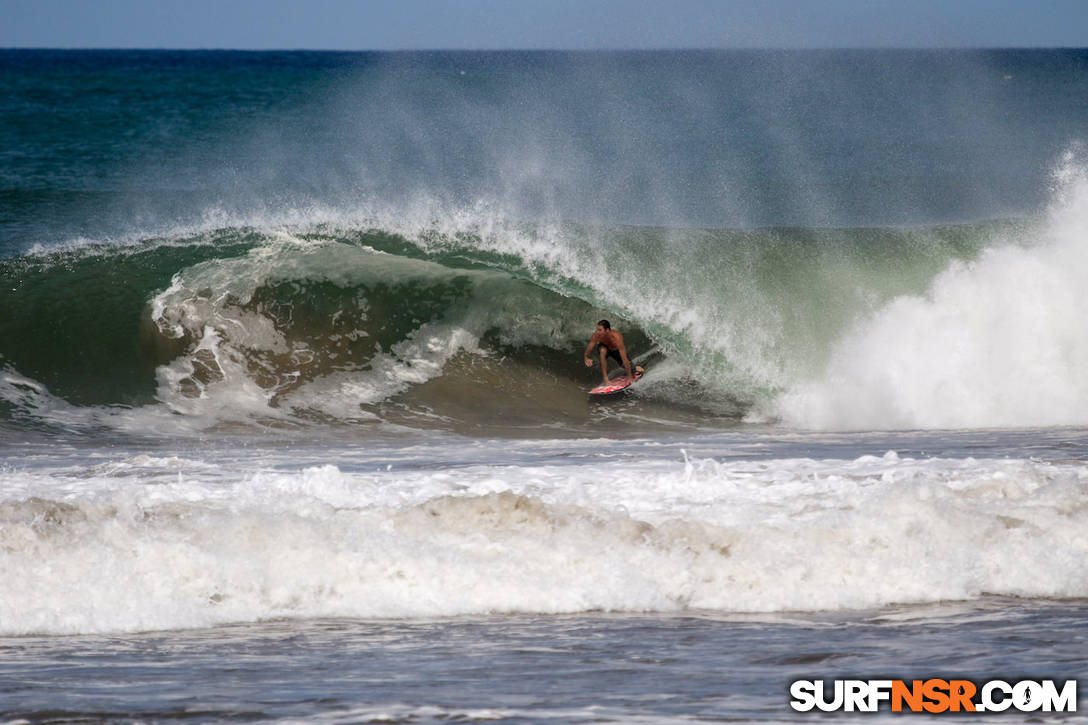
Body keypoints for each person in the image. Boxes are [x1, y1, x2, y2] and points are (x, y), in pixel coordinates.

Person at [583, 319, 642, 384]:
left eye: (600, 330)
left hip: (615, 350)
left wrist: (630, 376)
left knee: (631, 369)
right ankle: (606, 379)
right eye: (597, 329)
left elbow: (624, 359)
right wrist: (586, 357)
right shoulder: (596, 336)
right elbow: (589, 349)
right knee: (603, 351)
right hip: (604, 347)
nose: (597, 332)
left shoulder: (617, 338)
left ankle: (634, 369)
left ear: (607, 330)